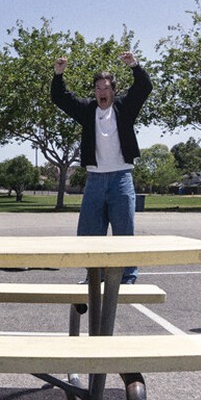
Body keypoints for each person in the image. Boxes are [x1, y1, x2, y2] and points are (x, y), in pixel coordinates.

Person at [51, 52, 152, 284]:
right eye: (98, 88)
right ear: (94, 92)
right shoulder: (87, 110)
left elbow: (145, 86)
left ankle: (127, 277)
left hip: (121, 178)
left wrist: (134, 66)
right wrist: (59, 73)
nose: (102, 92)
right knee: (89, 233)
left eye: (106, 88)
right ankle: (94, 276)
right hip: (95, 180)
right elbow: (60, 98)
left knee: (124, 231)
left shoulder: (125, 107)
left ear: (113, 91)